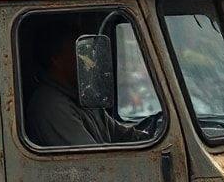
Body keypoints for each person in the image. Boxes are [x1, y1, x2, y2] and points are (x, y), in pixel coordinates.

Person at [24, 19, 149, 148]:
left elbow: (119, 135)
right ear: (56, 59)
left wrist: (150, 137)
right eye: (79, 53)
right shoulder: (51, 106)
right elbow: (91, 159)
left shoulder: (83, 95)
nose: (88, 60)